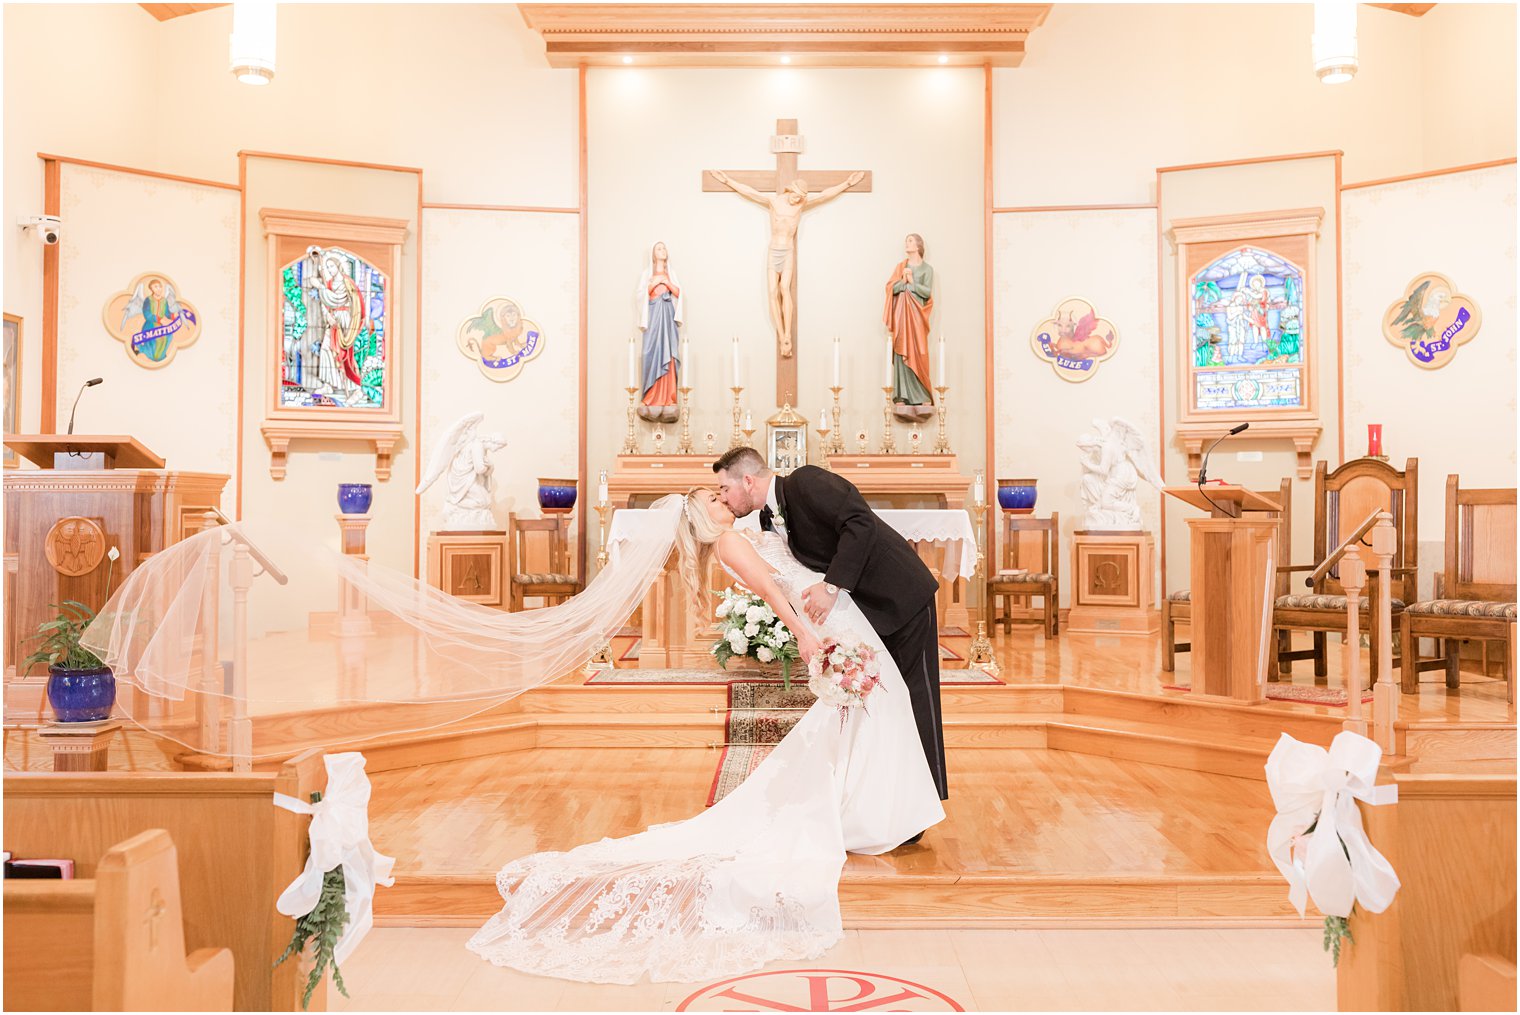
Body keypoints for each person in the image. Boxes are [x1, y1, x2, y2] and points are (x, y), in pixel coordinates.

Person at [466, 467, 945, 984]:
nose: (722, 498)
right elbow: (771, 590)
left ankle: (875, 807)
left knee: (868, 711)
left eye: (721, 491)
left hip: (835, 613)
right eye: (713, 496)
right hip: (824, 621)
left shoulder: (745, 530)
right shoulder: (730, 544)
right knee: (872, 708)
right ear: (702, 513)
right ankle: (876, 810)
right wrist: (806, 635)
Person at [884, 233, 935, 421]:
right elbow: (890, 288)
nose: (907, 243)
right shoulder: (900, 267)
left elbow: (927, 292)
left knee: (919, 353)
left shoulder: (927, 269)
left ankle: (922, 396)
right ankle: (902, 396)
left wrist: (912, 283)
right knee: (901, 352)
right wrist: (902, 282)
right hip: (902, 319)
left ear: (919, 245)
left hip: (918, 318)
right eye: (906, 241)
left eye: (911, 241)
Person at [636, 241, 682, 423]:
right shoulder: (646, 274)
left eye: (664, 248)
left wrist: (665, 282)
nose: (662, 251)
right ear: (653, 254)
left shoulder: (672, 275)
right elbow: (640, 296)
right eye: (658, 248)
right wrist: (653, 284)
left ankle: (669, 398)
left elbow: (679, 293)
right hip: (654, 316)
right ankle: (651, 397)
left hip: (668, 315)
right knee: (651, 352)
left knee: (669, 354)